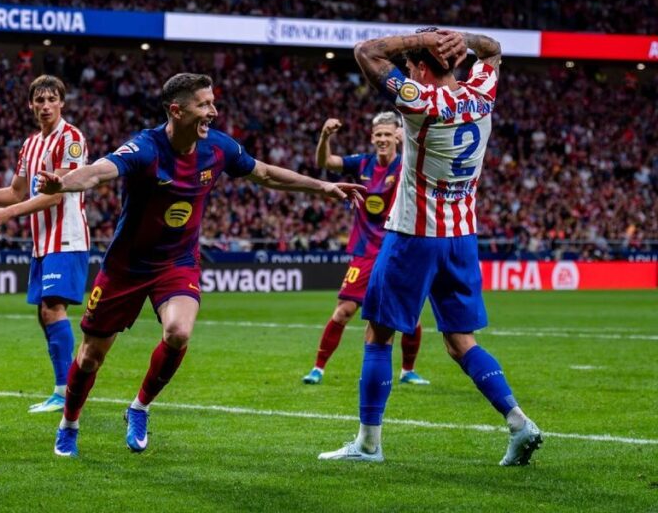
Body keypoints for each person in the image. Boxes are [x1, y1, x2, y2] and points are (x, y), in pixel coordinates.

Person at [37, 73, 366, 457]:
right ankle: (69, 424)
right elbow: (98, 171)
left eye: (212, 102)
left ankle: (139, 408)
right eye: (204, 104)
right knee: (91, 356)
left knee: (178, 332)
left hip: (177, 262)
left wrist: (322, 186)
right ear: (176, 110)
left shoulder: (218, 148)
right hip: (126, 266)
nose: (213, 111)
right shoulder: (146, 148)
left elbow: (264, 173)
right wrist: (62, 184)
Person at [318, 28, 543, 465]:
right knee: (461, 341)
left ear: (420, 67)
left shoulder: (421, 101)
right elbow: (493, 49)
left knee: (378, 334)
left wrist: (416, 39)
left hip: (413, 236)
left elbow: (365, 52)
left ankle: (367, 444)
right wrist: (461, 37)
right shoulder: (482, 92)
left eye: (411, 66)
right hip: (461, 237)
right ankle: (518, 422)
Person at [0, 75, 89, 414]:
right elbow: (15, 190)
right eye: (38, 100)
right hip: (42, 242)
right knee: (45, 314)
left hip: (66, 238)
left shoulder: (71, 139)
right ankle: (63, 386)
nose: (44, 106)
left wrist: (6, 214)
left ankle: (67, 390)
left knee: (52, 308)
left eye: (50, 99)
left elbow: (54, 197)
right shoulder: (30, 145)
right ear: (30, 105)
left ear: (61, 103)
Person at [302, 113, 429, 386]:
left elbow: (423, 155)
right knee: (343, 311)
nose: (382, 139)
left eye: (388, 134)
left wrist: (407, 139)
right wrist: (325, 137)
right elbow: (326, 162)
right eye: (378, 135)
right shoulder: (362, 163)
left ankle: (407, 371)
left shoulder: (406, 164)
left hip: (398, 250)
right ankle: (318, 368)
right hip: (365, 251)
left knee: (410, 315)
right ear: (372, 138)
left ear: (397, 135)